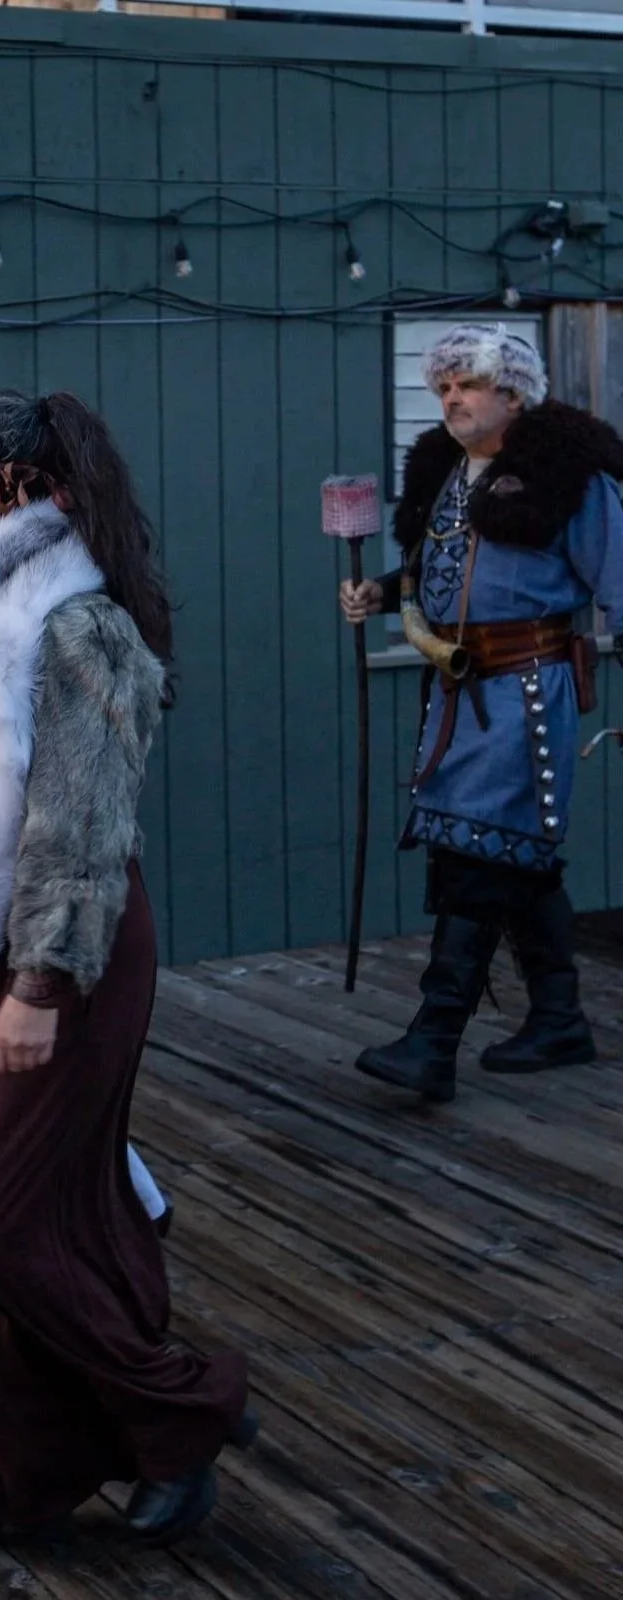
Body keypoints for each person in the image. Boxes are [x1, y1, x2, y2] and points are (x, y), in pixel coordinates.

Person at [0, 391, 252, 1563]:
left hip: (56, 953)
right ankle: (14, 1474)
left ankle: (182, 1407)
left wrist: (39, 985)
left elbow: (78, 823)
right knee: (17, 1225)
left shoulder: (74, 627)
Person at [340, 324, 623, 1102]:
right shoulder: (449, 473)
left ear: (514, 394)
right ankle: (559, 1019)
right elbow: (439, 566)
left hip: (526, 688)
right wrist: (383, 592)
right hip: (456, 689)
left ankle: (433, 1042)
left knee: (478, 853)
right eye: (443, 387)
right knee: (512, 854)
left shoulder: (570, 480)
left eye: (468, 384)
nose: (452, 398)